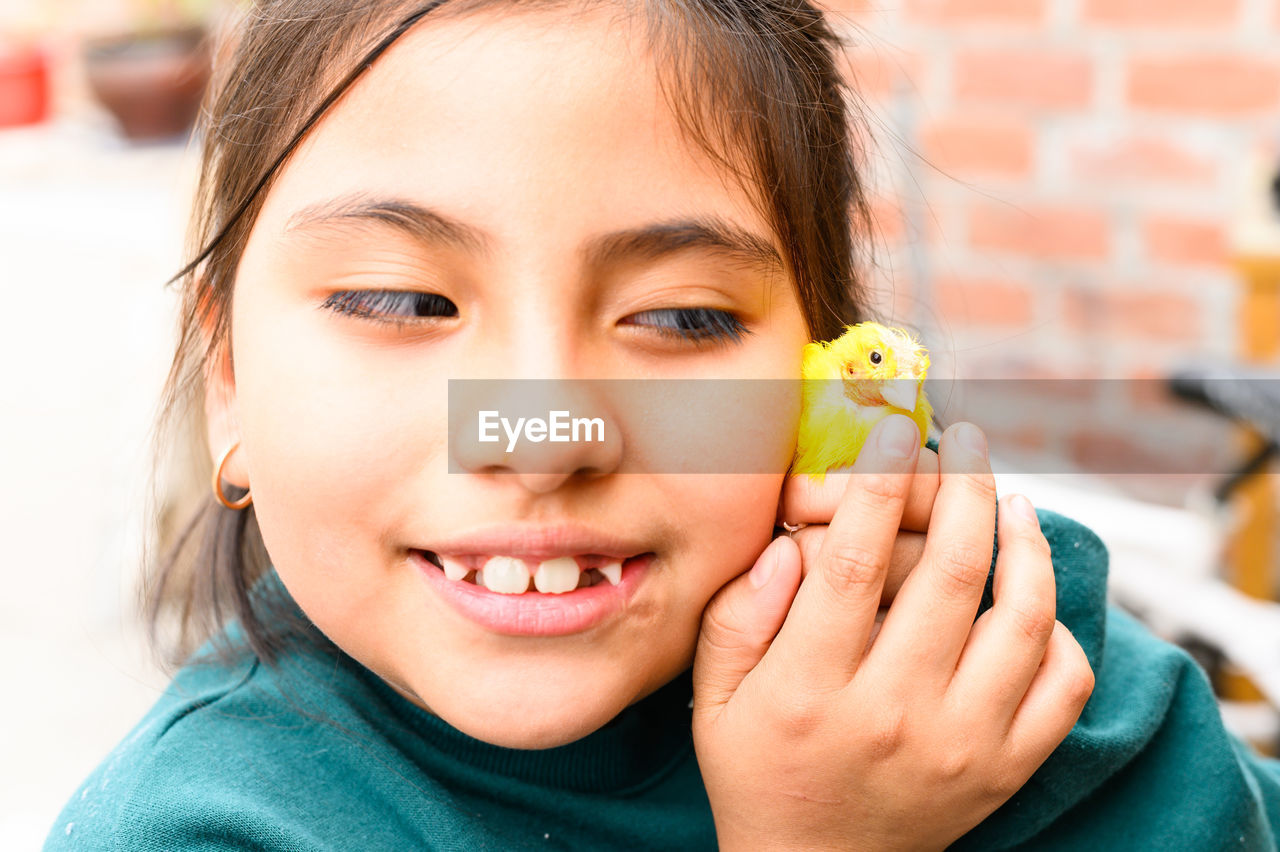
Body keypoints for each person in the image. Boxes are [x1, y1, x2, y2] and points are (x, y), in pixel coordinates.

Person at [44, 1, 1280, 849]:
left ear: (821, 388)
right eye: (401, 301)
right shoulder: (206, 827)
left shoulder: (1010, 671)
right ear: (226, 384)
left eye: (682, 320)